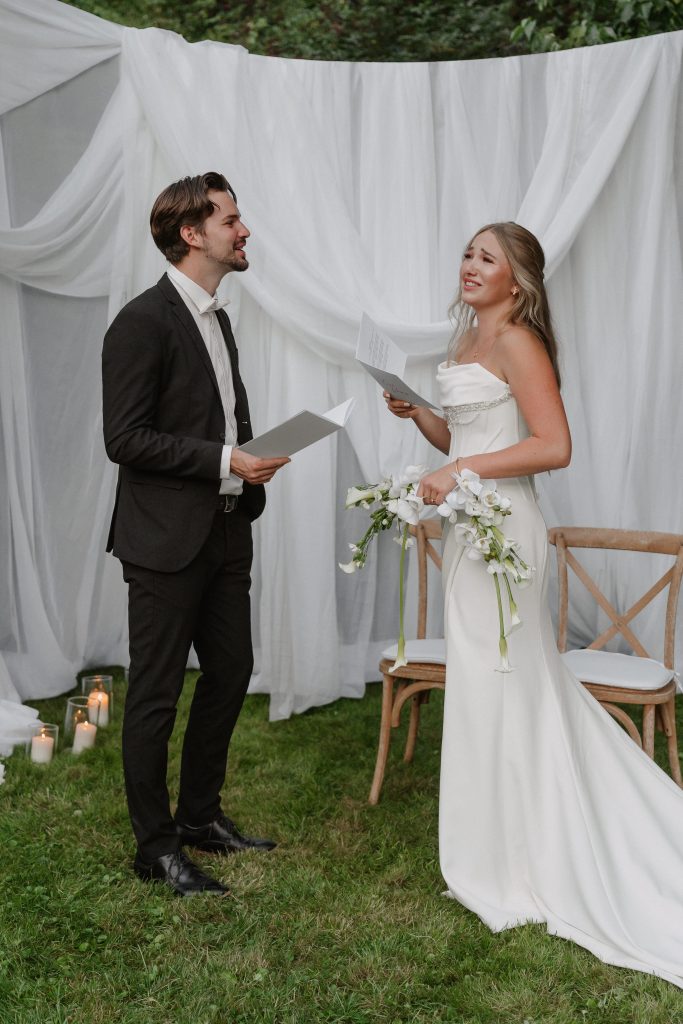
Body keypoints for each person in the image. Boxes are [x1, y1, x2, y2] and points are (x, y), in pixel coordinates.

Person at [385, 222, 683, 987]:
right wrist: (421, 419)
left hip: (505, 534)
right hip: (469, 530)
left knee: (502, 680)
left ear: (516, 280)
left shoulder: (518, 341)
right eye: (466, 253)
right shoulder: (467, 340)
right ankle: (493, 840)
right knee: (485, 686)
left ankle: (516, 855)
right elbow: (469, 438)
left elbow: (552, 446)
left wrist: (460, 473)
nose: (469, 265)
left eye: (486, 258)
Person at [102, 172, 289, 896]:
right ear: (192, 233)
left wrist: (246, 462)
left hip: (227, 528)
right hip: (162, 542)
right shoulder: (141, 322)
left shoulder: (219, 318)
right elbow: (124, 438)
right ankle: (155, 849)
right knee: (154, 696)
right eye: (231, 220)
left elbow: (217, 417)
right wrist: (224, 459)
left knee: (232, 670)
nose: (244, 231)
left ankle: (200, 817)